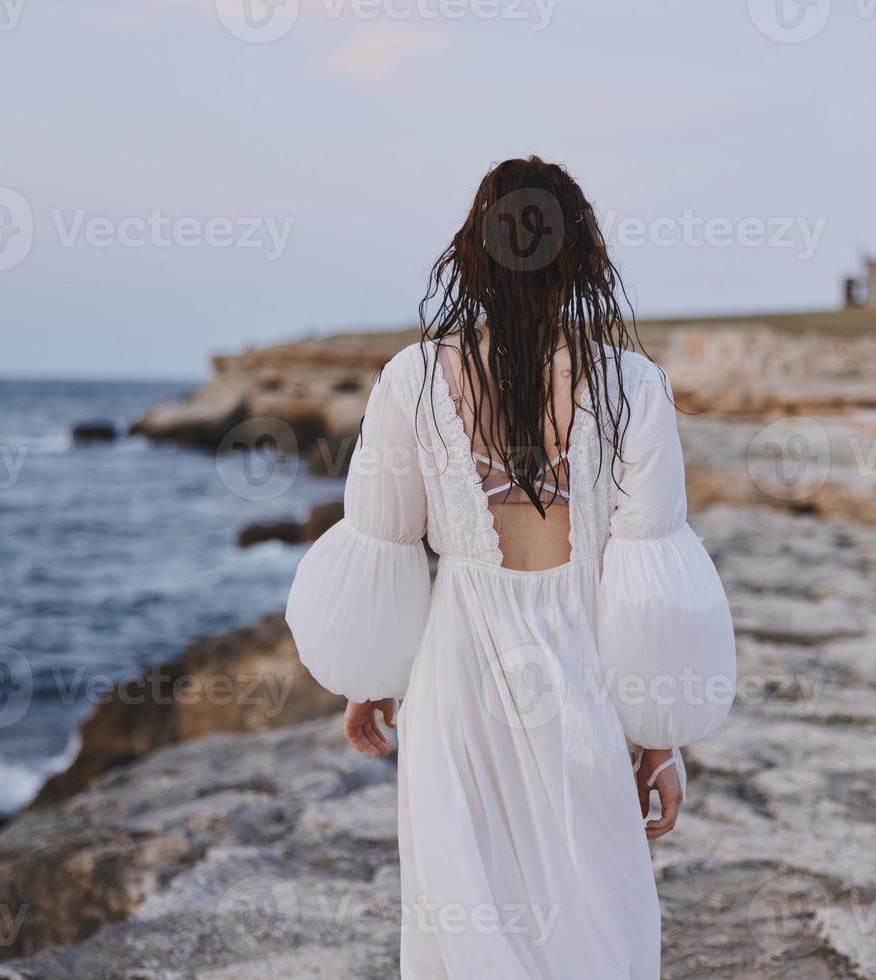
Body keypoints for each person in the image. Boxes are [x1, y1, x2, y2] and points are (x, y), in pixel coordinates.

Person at [286, 156, 736, 978]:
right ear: (580, 256)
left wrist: (371, 678)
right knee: (601, 915)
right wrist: (659, 743)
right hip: (582, 671)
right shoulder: (635, 386)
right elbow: (650, 587)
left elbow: (383, 546)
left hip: (457, 676)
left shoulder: (413, 378)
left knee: (467, 924)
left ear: (474, 255)